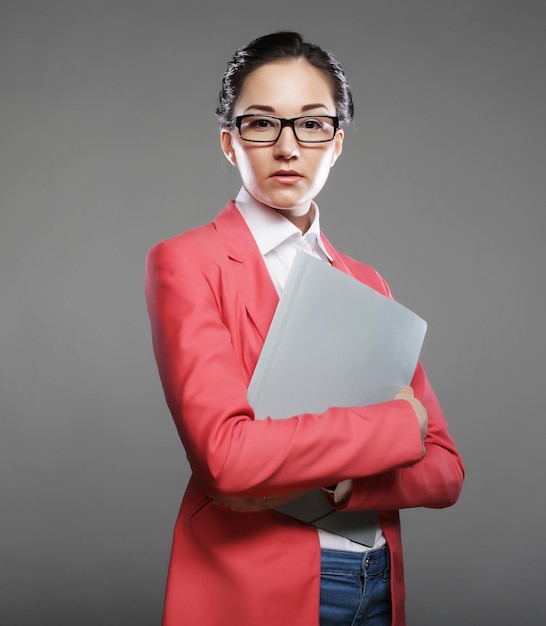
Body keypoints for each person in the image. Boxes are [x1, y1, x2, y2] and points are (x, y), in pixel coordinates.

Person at [144, 31, 464, 626]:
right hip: (257, 583)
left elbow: (445, 468)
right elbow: (228, 461)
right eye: (261, 123)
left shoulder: (368, 281)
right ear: (228, 141)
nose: (287, 147)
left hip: (375, 576)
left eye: (312, 125)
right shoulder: (186, 262)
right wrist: (398, 425)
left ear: (336, 143)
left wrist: (347, 486)